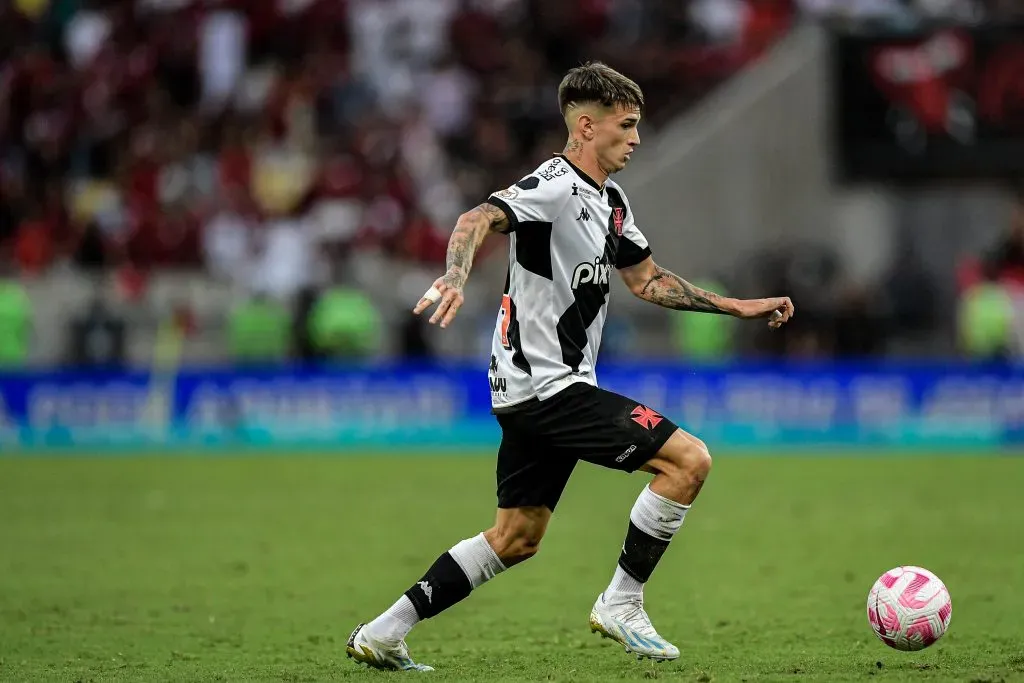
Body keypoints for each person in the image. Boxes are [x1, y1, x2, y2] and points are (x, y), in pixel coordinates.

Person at [347, 62, 794, 671]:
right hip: (548, 388)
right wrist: (454, 274)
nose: (637, 139)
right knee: (688, 460)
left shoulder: (610, 201)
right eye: (626, 125)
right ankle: (622, 602)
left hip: (532, 391)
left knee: (516, 538)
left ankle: (382, 631)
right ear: (586, 125)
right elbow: (477, 218)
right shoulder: (553, 185)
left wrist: (733, 306)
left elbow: (648, 279)